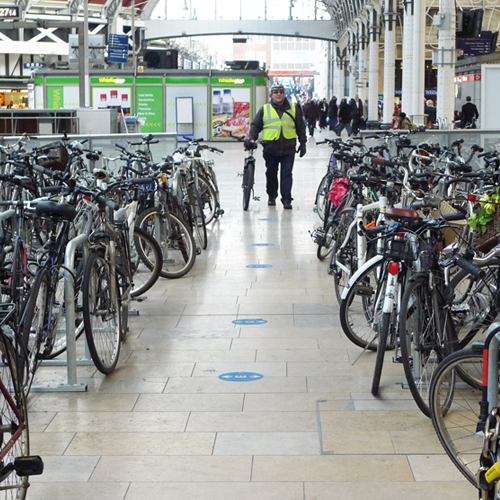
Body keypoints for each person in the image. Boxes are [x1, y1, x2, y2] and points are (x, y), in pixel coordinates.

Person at [246, 83, 307, 210]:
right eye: (276, 92)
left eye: (281, 91)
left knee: (286, 174)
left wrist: (303, 142)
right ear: (271, 94)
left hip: (288, 147)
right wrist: (251, 138)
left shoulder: (294, 108)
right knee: (271, 174)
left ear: (284, 93)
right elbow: (256, 125)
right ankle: (272, 196)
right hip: (270, 148)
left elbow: (300, 126)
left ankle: (286, 199)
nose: (278, 94)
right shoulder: (265, 109)